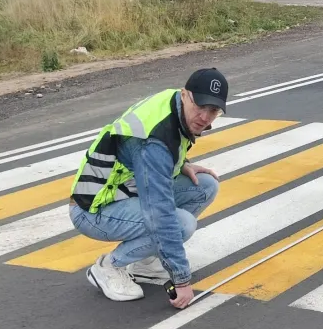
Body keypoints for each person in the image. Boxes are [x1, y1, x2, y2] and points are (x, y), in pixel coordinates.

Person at [68, 69, 229, 308]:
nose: (205, 117)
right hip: (94, 209)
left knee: (205, 186)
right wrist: (181, 279)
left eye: (213, 110)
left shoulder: (173, 104)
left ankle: (146, 262)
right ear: (185, 95)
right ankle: (110, 266)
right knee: (180, 224)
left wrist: (182, 164)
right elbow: (159, 213)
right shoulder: (153, 142)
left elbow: (163, 148)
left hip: (125, 192)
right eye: (200, 106)